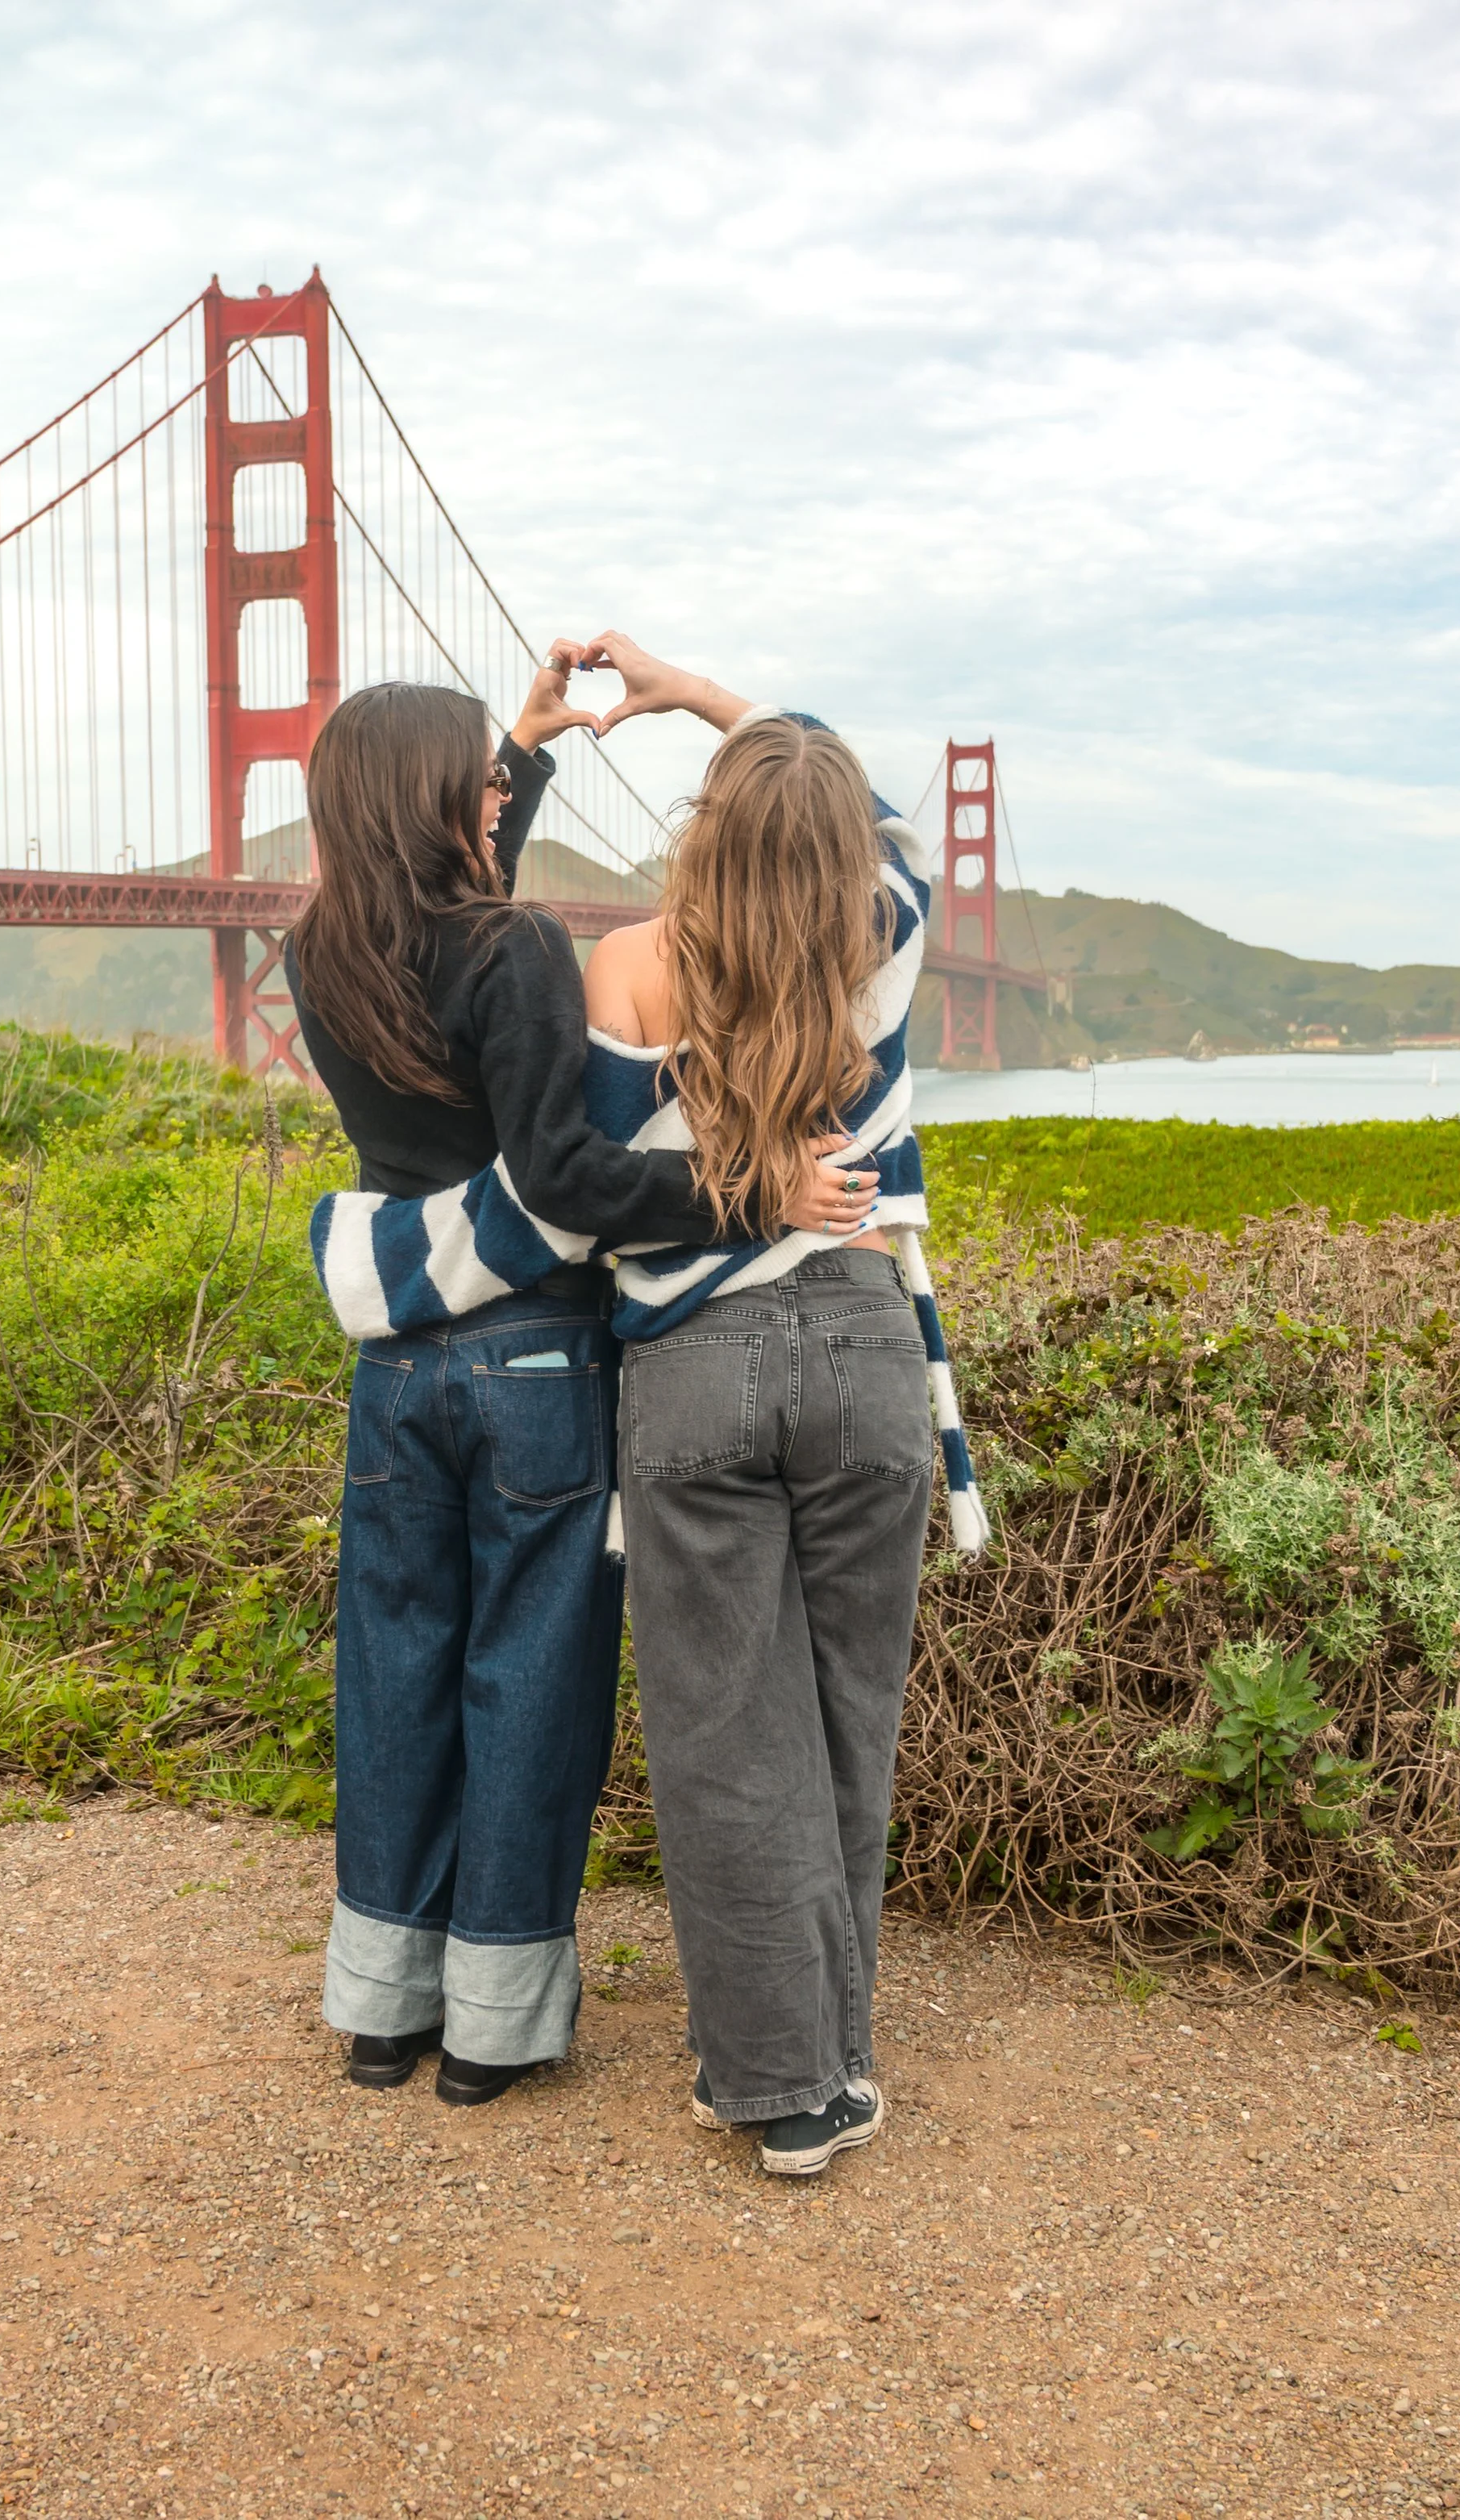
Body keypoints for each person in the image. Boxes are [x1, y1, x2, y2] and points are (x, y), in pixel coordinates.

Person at [285, 654, 875, 2108]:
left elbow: (456, 948)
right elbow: (566, 1175)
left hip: (394, 1366)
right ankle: (489, 2030)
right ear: (441, 796)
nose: (502, 789)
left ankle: (379, 2010)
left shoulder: (316, 950)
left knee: (397, 1676)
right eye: (486, 777)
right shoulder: (526, 947)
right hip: (536, 1361)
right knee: (530, 1683)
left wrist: (530, 757)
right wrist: (758, 1202)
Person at [575, 635, 988, 2177]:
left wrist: (734, 1197)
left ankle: (775, 2083)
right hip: (867, 1353)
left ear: (707, 832)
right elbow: (855, 799)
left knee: (721, 1733)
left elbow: (612, 1199)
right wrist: (700, 687)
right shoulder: (879, 936)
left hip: (691, 1367)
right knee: (841, 1721)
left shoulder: (626, 965)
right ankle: (838, 2059)